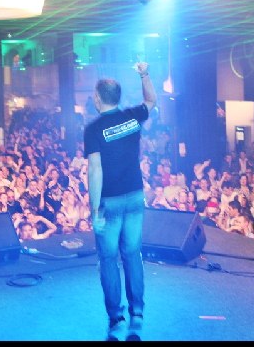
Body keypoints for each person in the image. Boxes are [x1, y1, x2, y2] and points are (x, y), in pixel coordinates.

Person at [84, 62, 156, 341]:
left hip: (110, 202)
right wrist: (144, 74)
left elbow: (95, 170)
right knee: (132, 254)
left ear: (98, 98)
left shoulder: (93, 129)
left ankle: (116, 319)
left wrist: (94, 210)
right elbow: (152, 100)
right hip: (135, 196)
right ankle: (137, 313)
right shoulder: (132, 116)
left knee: (108, 259)